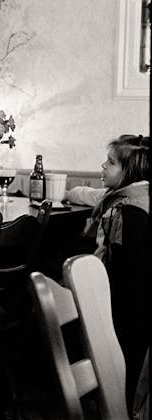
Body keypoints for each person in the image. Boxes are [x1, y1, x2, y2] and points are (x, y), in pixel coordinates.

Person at [84, 134, 150, 413]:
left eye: (110, 163)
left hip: (126, 305)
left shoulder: (123, 211)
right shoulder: (137, 196)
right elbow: (93, 195)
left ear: (128, 173)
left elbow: (117, 269)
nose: (102, 166)